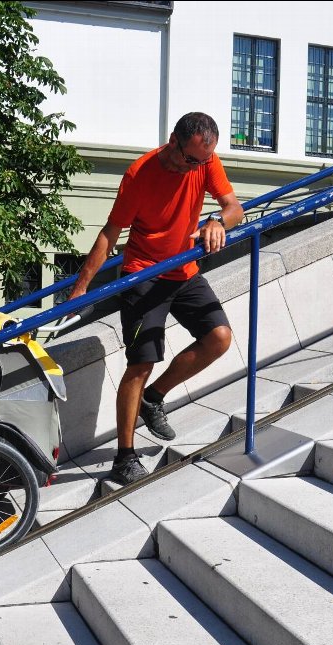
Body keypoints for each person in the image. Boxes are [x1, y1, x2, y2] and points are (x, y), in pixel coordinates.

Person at [67, 112, 244, 485]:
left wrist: (216, 221)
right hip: (144, 274)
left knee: (219, 338)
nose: (194, 167)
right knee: (140, 364)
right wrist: (80, 288)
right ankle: (124, 457)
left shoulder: (206, 161)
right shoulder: (140, 174)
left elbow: (235, 209)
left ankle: (154, 398)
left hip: (184, 270)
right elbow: (110, 233)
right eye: (189, 159)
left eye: (201, 162)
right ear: (173, 141)